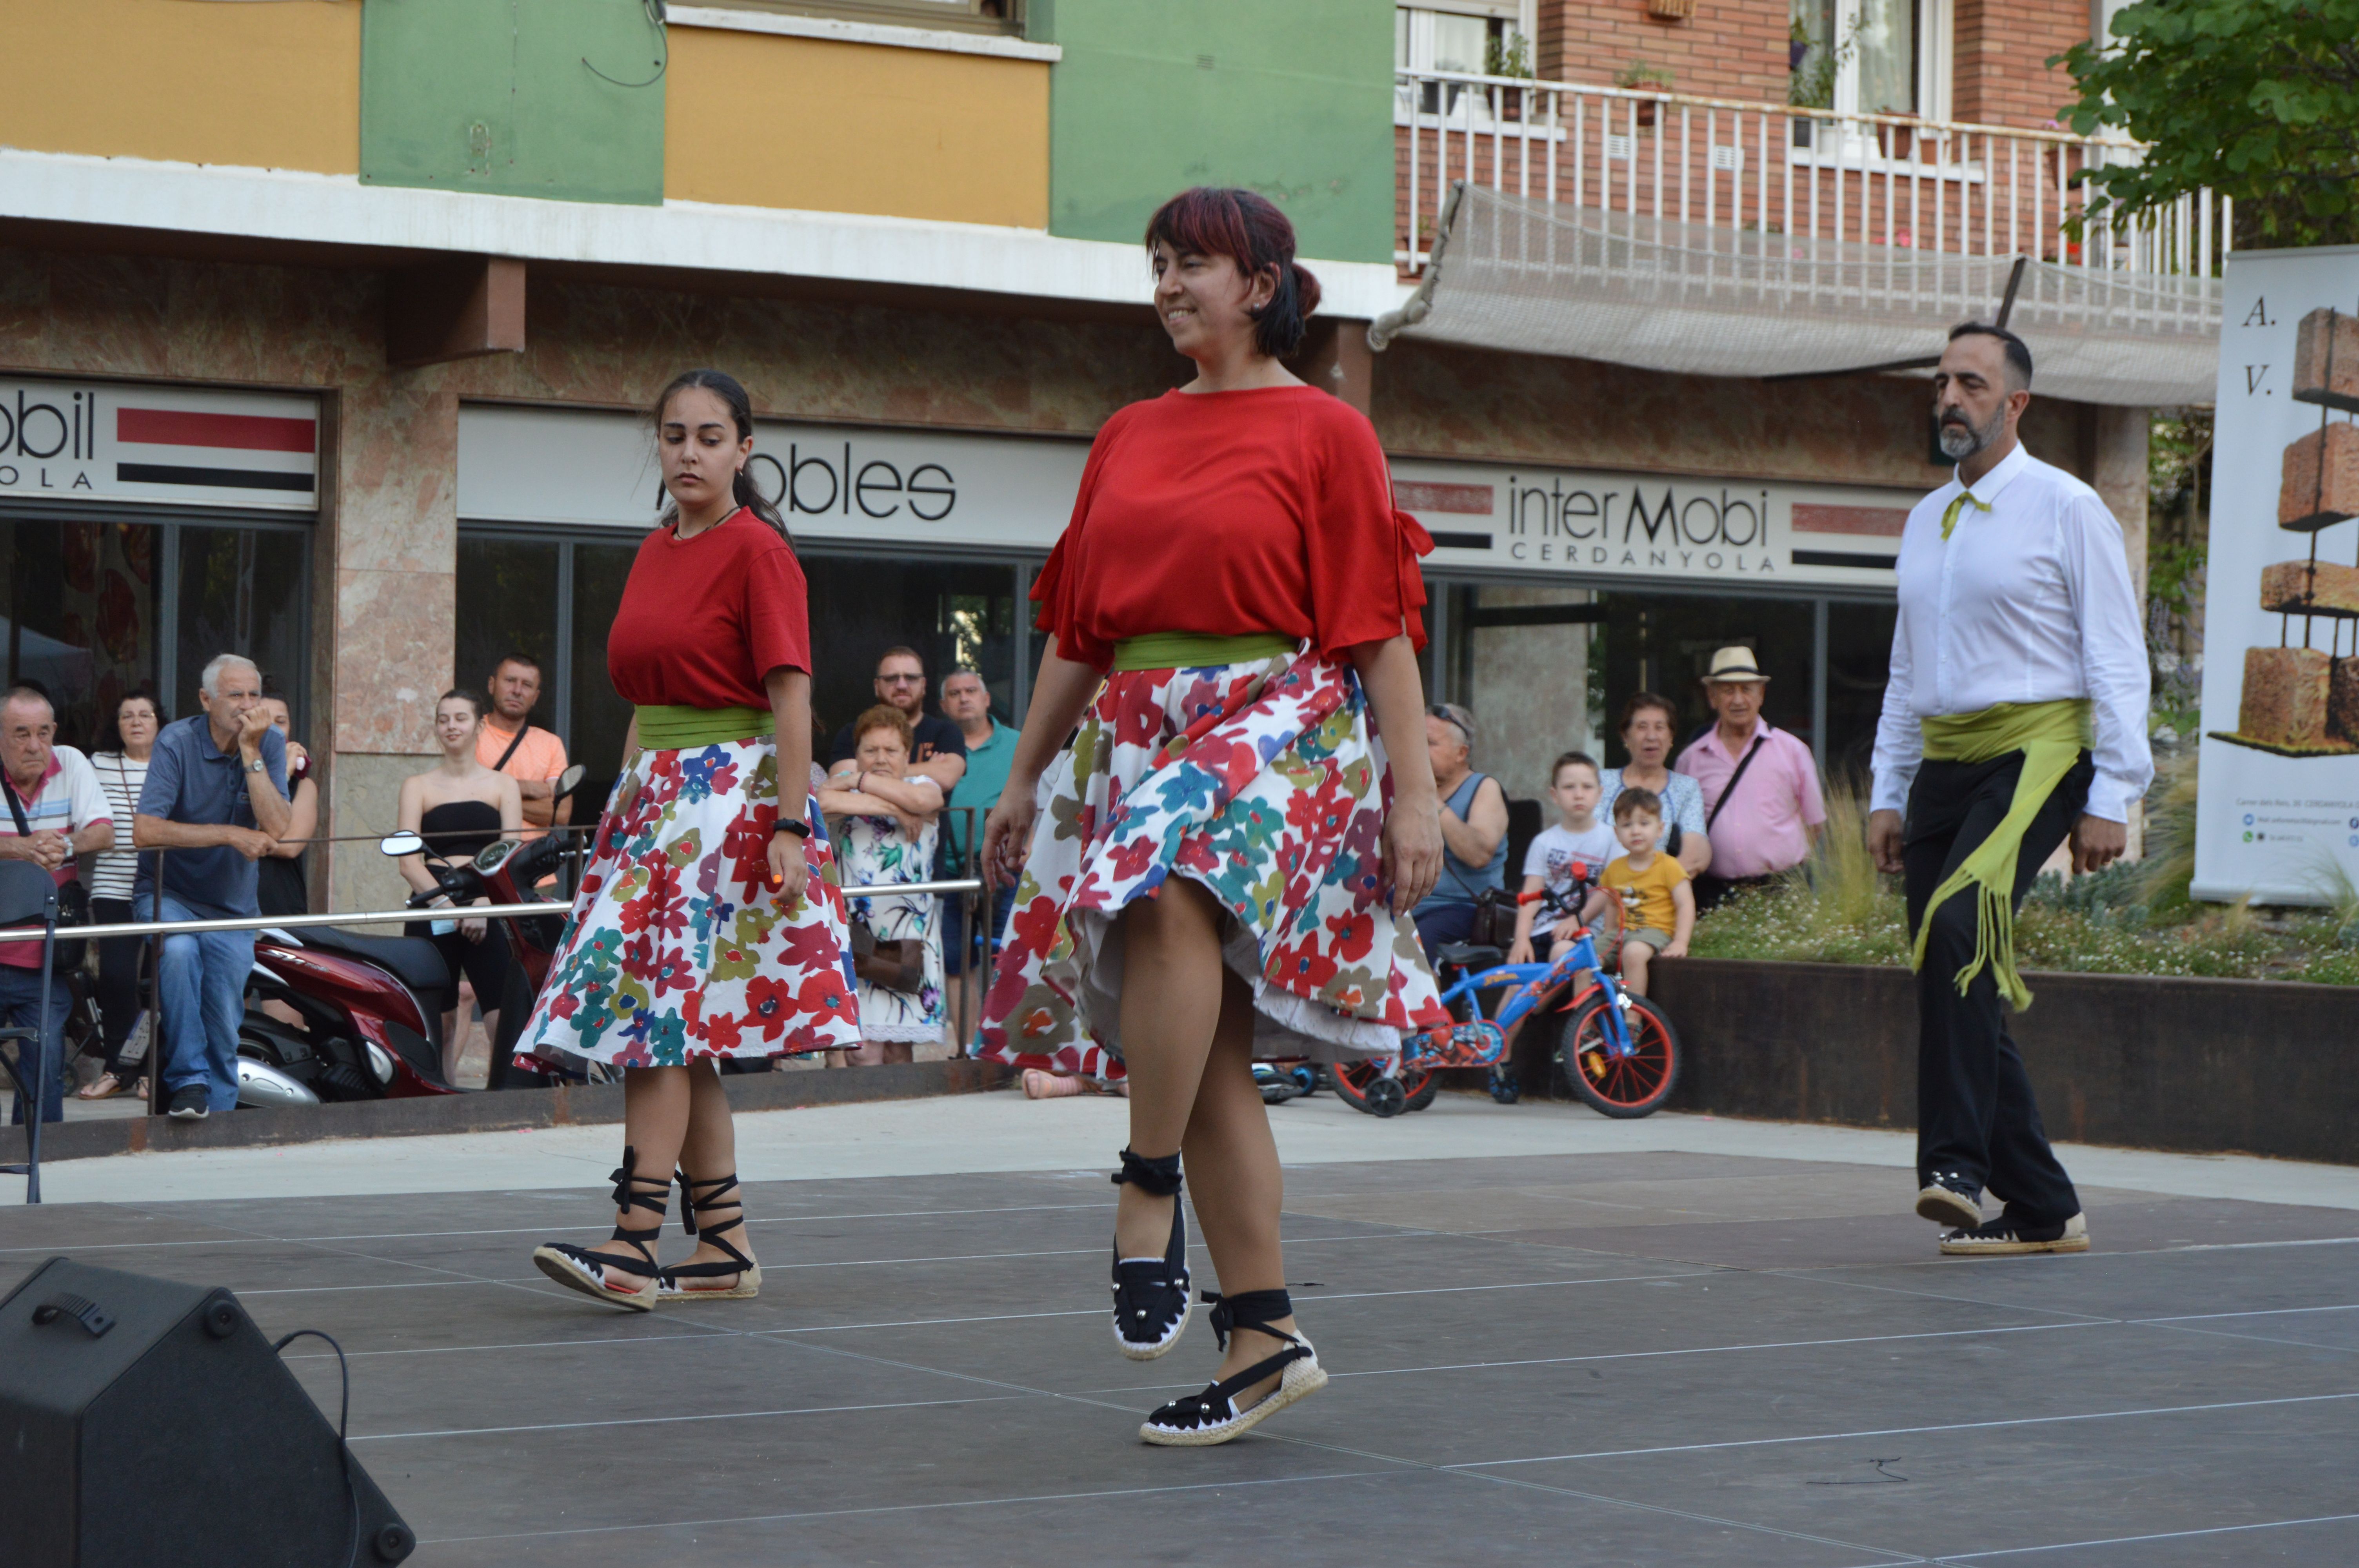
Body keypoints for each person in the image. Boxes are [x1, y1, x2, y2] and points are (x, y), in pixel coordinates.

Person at [979, 187, 1447, 1448]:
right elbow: (1083, 630)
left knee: (1172, 885)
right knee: (1210, 1061)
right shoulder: (1128, 432)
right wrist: (1022, 776)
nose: (1167, 282)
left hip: (1274, 715)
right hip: (1138, 722)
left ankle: (1141, 1190)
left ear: (1258, 284)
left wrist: (1414, 792)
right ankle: (1264, 1337)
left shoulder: (1324, 430)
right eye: (1157, 264)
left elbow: (1377, 625)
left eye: (1191, 263)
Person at [521, 368, 859, 1311]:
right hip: (659, 802)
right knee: (680, 1028)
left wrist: (790, 822)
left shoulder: (758, 551)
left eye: (710, 437)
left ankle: (633, 1243)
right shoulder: (652, 547)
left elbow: (790, 695)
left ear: (744, 450)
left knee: (657, 1025)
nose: (688, 453)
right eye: (673, 436)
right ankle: (721, 1242)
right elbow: (647, 700)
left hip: (729, 802)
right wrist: (623, 805)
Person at [1869, 322, 2150, 1259]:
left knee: (1960, 932)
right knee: (1956, 974)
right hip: (1943, 766)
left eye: (1972, 384)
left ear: (2015, 403)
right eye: (1942, 381)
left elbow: (2115, 655)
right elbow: (1906, 673)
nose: (1950, 397)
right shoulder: (1923, 518)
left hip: (2036, 754)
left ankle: (1950, 1168)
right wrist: (1886, 788)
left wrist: (2114, 789)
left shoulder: (2065, 506)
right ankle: (2041, 1206)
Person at [133, 654, 290, 1120]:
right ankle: (189, 1084)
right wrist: (227, 832)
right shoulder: (176, 740)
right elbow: (146, 830)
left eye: (254, 694)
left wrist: (251, 752)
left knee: (224, 1017)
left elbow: (278, 828)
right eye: (235, 694)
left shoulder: (270, 742)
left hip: (233, 906)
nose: (247, 705)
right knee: (179, 953)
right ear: (206, 699)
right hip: (170, 893)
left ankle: (217, 1117)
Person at [397, 690, 523, 1085]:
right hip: (433, 902)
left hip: (488, 902)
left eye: (460, 718)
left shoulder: (504, 784)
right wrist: (449, 907)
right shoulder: (417, 784)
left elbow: (511, 857)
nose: (451, 726)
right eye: (443, 719)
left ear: (479, 724)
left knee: (502, 1017)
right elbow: (408, 860)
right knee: (440, 1020)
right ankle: (440, 1097)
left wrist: (484, 903)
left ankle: (502, 1099)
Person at [0, 686, 113, 1124]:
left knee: (45, 1063)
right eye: (21, 734)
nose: (35, 746)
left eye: (43, 733)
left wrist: (66, 843)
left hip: (44, 955)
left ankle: (37, 1163)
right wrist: (20, 849)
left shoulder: (71, 762)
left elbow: (103, 832)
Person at [820, 704, 946, 1063]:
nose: (880, 759)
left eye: (890, 751)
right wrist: (893, 810)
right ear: (857, 753)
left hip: (910, 936)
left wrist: (858, 781)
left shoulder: (922, 786)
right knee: (863, 1051)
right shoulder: (838, 790)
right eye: (870, 751)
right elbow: (823, 800)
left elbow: (924, 801)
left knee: (898, 1048)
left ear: (907, 755)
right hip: (856, 936)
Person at [1675, 647, 1826, 911]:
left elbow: (1815, 825)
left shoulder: (1793, 751)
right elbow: (1681, 831)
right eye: (1728, 691)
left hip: (1781, 890)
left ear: (1761, 696)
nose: (1738, 700)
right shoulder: (1691, 760)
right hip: (1713, 894)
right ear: (1712, 698)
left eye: (1746, 689)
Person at [78, 689, 160, 1102]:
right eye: (127, 715)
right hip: (112, 885)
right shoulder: (100, 764)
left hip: (165, 887)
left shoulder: (173, 762)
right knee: (115, 977)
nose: (136, 721)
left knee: (159, 982)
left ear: (158, 723)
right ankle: (117, 1068)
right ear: (117, 725)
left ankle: (151, 1069)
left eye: (145, 714)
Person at [940, 667, 1016, 1044]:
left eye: (972, 690)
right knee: (957, 962)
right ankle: (967, 1048)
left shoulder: (1018, 744)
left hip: (1008, 869)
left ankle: (1008, 1046)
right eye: (955, 693)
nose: (964, 698)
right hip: (951, 871)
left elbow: (1046, 796)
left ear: (987, 699)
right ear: (943, 704)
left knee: (1010, 959)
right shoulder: (936, 750)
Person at [1408, 702, 1507, 957]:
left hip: (1463, 909)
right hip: (1406, 907)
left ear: (1461, 753)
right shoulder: (1405, 789)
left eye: (1430, 743)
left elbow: (1478, 854)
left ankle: (1431, 999)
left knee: (1417, 951)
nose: (1418, 751)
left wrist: (1433, 801)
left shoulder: (1484, 788)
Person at [1505, 751, 1615, 965]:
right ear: (1555, 795)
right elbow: (1531, 895)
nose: (1579, 794)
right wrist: (1521, 939)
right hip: (1543, 928)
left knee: (1562, 952)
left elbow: (1608, 890)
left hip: (1585, 930)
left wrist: (1577, 920)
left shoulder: (1612, 838)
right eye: (1569, 787)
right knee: (1517, 982)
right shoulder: (1544, 842)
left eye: (1587, 787)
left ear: (1600, 794)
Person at [1586, 788, 1693, 998]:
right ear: (1617, 833)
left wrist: (1681, 941)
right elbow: (1611, 903)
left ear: (1660, 829)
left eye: (1644, 824)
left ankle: (1633, 1019)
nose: (1636, 831)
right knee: (1586, 959)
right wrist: (1609, 932)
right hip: (1620, 934)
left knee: (1633, 953)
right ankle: (1583, 1023)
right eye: (1627, 825)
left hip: (1655, 931)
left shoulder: (1669, 866)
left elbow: (1685, 904)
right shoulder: (1615, 869)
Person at [1598, 692, 1712, 878]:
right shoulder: (1600, 783)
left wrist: (1648, 887)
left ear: (1671, 737)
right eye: (1642, 727)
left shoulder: (1687, 788)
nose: (1651, 736)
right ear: (1626, 736)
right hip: (1599, 897)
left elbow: (1697, 852)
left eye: (1660, 727)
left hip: (1657, 899)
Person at [828, 648, 967, 795]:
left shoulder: (946, 731)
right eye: (891, 679)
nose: (902, 685)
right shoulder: (852, 732)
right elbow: (842, 782)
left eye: (911, 678)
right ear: (877, 687)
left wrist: (868, 774)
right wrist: (926, 770)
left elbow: (946, 777)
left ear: (924, 685)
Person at [479, 652, 571, 841]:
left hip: (534, 867)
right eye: (510, 681)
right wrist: (522, 787)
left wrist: (493, 796)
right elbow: (459, 793)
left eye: (527, 685)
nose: (517, 691)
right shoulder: (471, 734)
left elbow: (561, 813)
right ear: (492, 685)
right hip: (479, 859)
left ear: (536, 697)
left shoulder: (551, 744)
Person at [255, 682, 320, 920]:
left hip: (282, 904)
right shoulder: (230, 777)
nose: (272, 729)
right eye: (264, 720)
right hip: (232, 903)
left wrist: (240, 837)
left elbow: (291, 846)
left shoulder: (304, 785)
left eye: (280, 722)